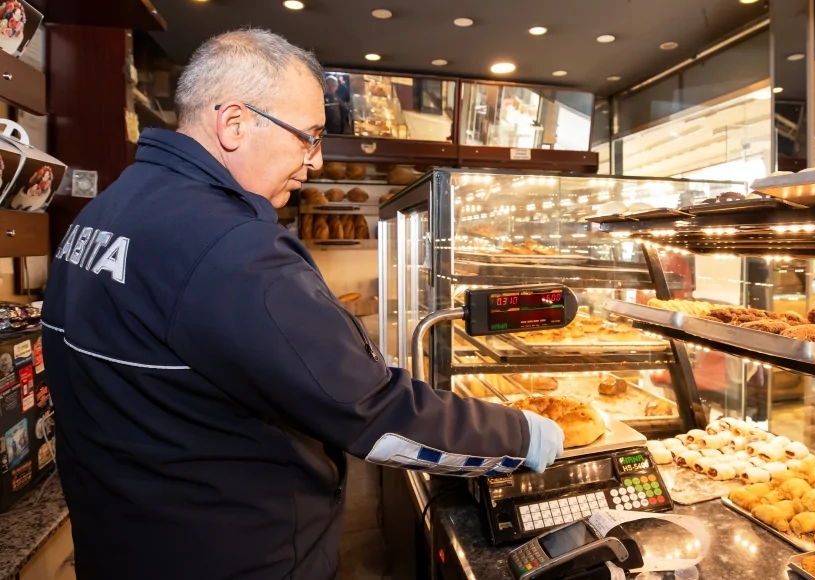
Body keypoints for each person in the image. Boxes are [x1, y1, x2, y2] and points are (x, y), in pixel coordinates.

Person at [41, 28, 564, 580]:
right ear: (235, 123)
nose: (314, 161)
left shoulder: (106, 210)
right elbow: (371, 412)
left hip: (125, 542)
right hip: (237, 556)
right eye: (307, 136)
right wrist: (521, 435)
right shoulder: (231, 247)